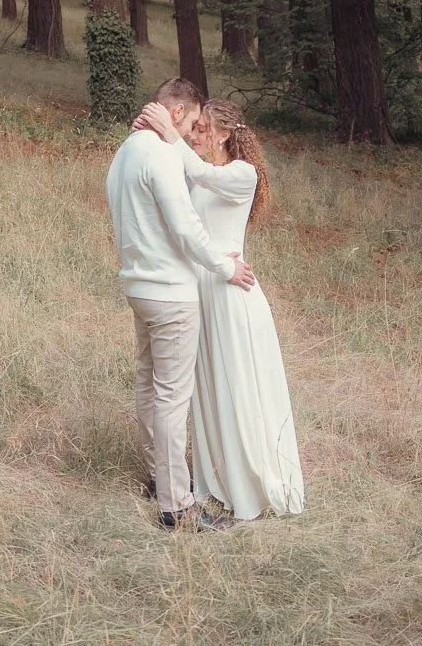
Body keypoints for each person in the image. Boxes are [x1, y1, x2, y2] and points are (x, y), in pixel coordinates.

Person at [134, 98, 305, 521]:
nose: (195, 135)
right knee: (205, 386)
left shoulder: (241, 174)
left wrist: (171, 135)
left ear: (225, 134)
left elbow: (201, 172)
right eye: (194, 128)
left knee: (236, 382)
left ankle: (249, 477)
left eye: (203, 128)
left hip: (231, 294)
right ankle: (212, 477)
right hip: (201, 289)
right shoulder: (200, 177)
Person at [105, 78, 255, 531]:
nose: (192, 132)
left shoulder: (127, 151)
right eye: (191, 121)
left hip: (138, 285)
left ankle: (157, 476)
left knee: (150, 386)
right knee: (172, 398)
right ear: (176, 113)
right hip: (170, 292)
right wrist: (224, 267)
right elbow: (187, 227)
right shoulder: (160, 155)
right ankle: (177, 507)